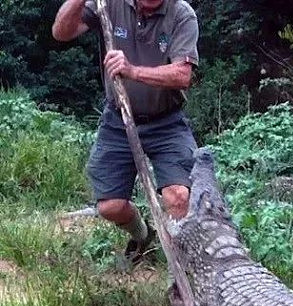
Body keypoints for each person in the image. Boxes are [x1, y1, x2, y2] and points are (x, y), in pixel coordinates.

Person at [52, 0, 199, 288]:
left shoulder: (181, 14)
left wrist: (132, 70)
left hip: (166, 121)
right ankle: (143, 235)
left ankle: (180, 282)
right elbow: (61, 32)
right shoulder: (108, 4)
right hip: (118, 118)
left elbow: (182, 75)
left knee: (179, 196)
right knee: (110, 206)